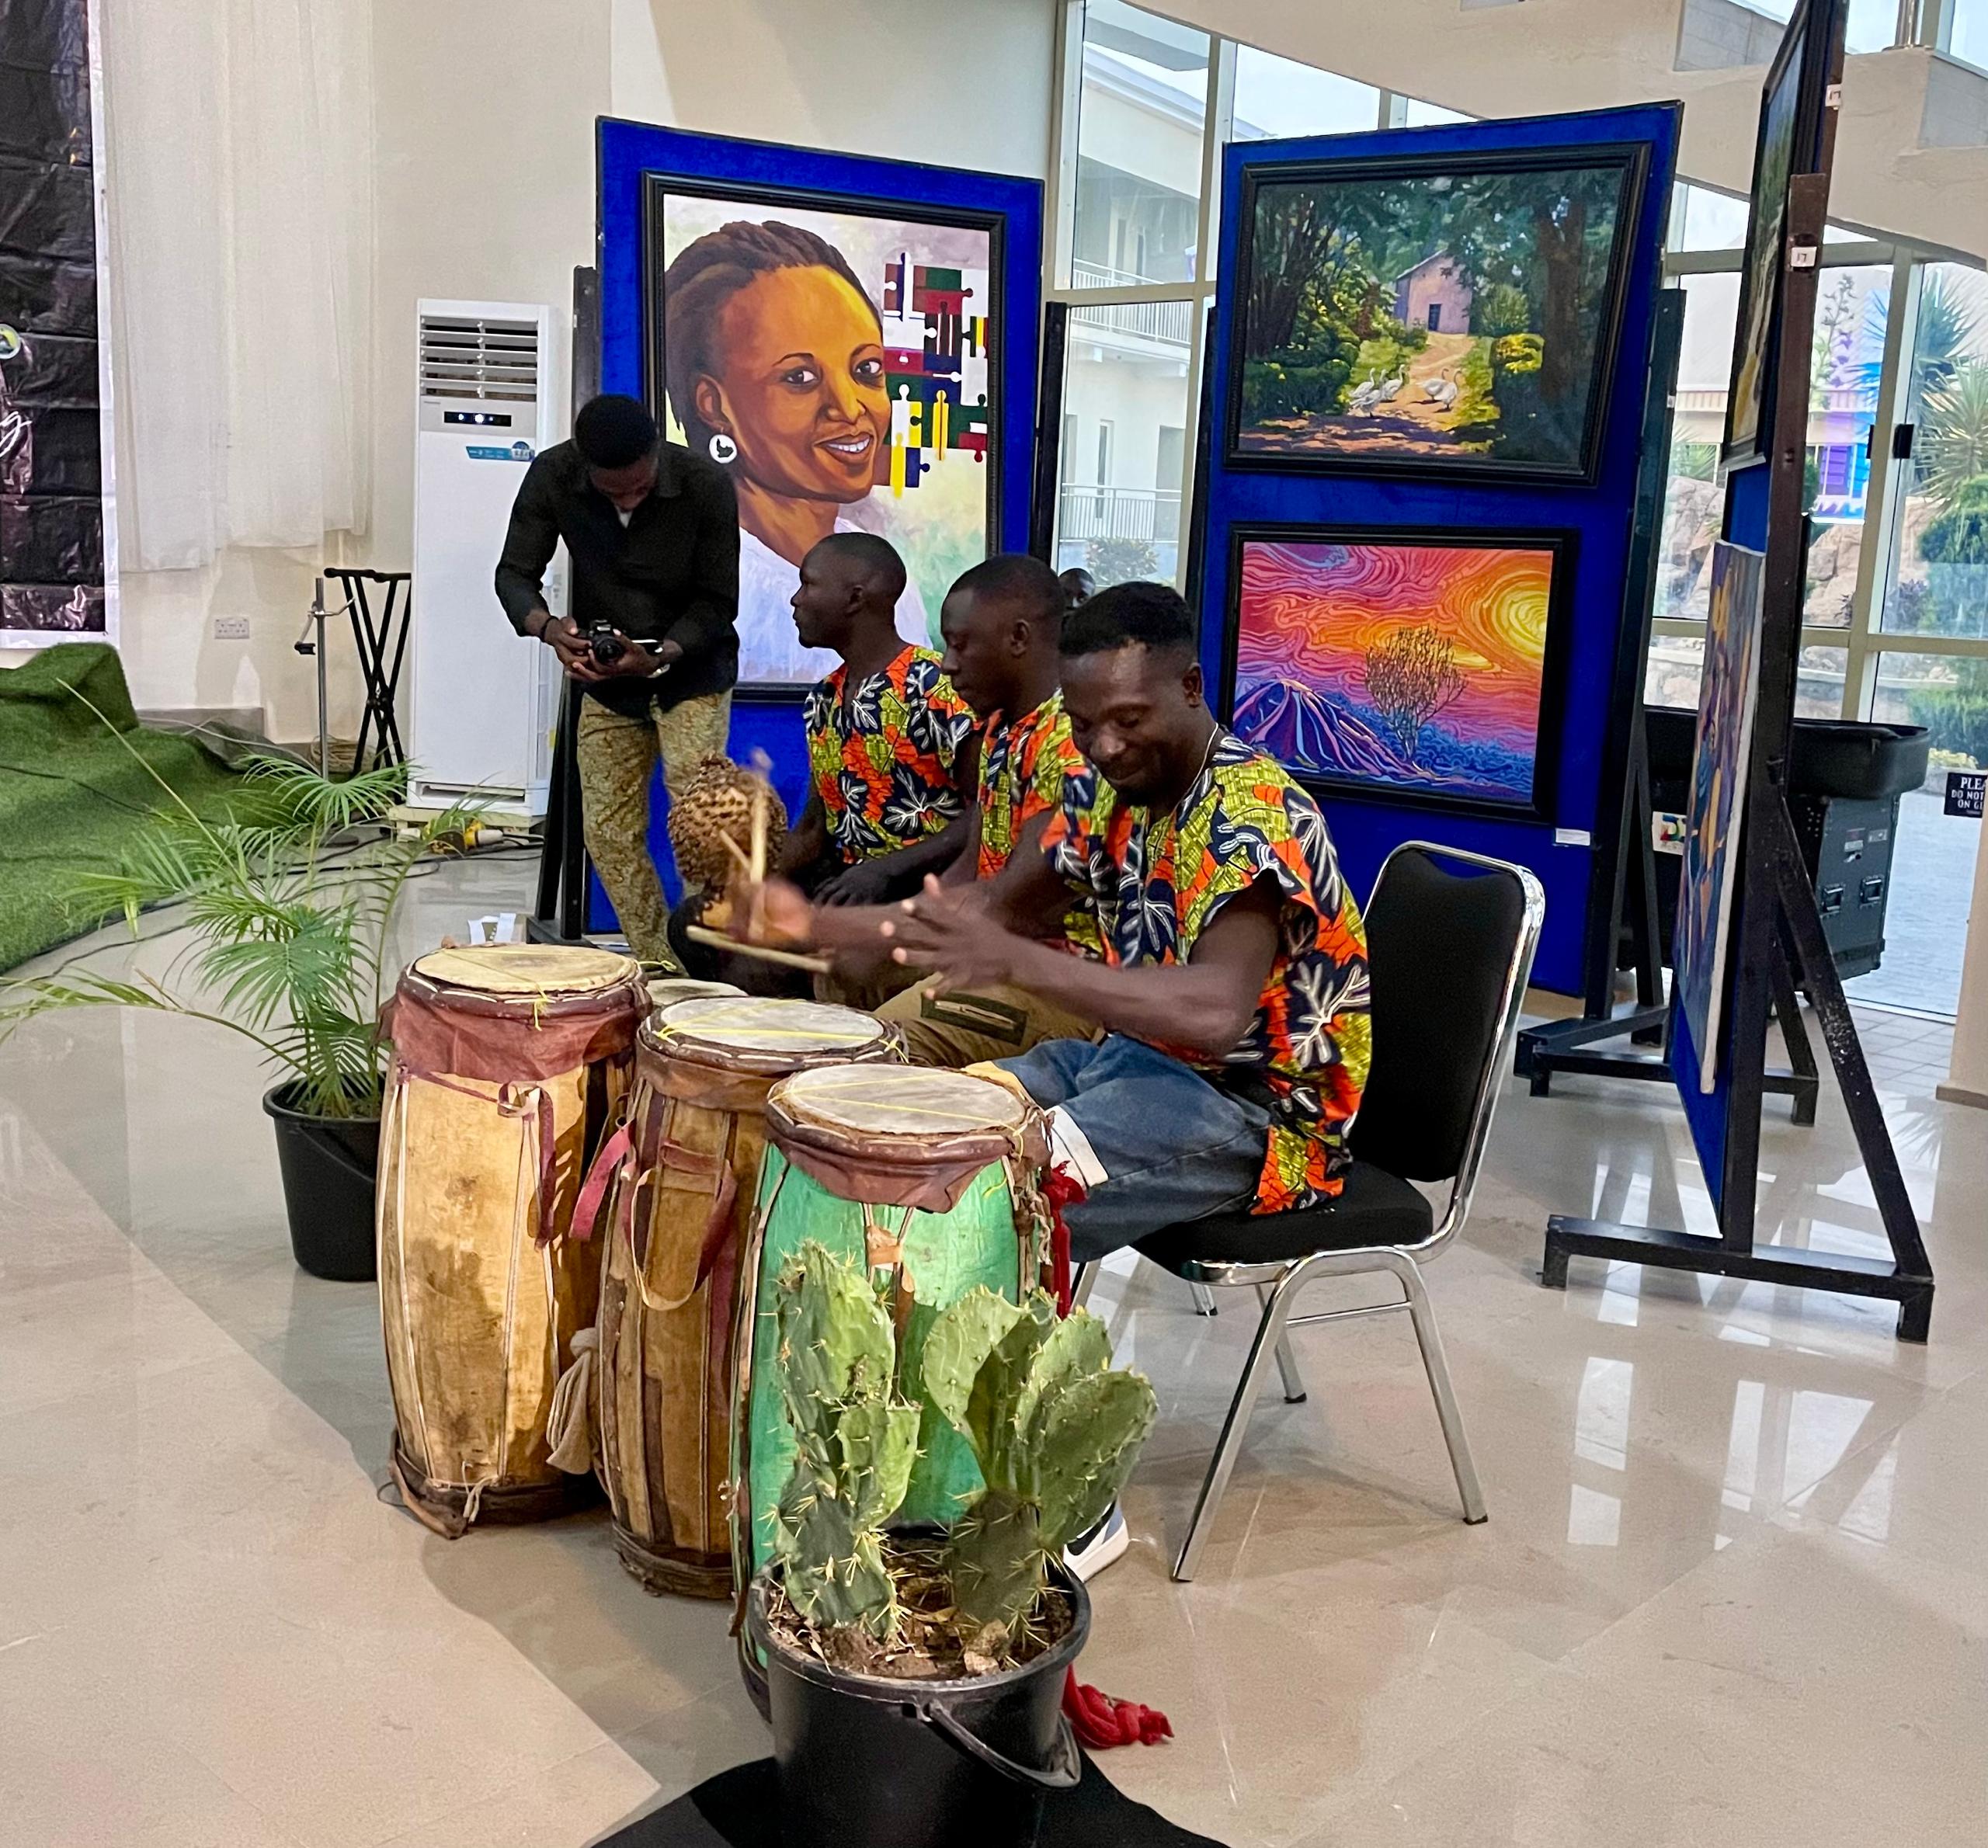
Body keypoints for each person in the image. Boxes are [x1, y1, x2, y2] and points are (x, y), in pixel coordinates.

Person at [751, 580, 1371, 1258]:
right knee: (919, 1129)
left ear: (1191, 687)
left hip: (1252, 1114)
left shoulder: (1252, 815)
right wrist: (808, 925)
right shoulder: (1109, 796)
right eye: (1082, 724)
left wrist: (1020, 962)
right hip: (1129, 1063)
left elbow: (1214, 1013)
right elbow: (988, 908)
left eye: (1129, 719)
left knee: (973, 1195)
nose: (1104, 747)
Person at [495, 393, 737, 966]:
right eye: (613, 494)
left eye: (639, 488)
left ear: (657, 453)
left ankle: (713, 964)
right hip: (605, 682)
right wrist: (549, 629)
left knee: (700, 826)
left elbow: (717, 602)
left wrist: (659, 656)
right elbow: (513, 574)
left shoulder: (705, 483)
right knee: (606, 830)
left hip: (691, 673)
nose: (627, 501)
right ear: (584, 467)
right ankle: (660, 966)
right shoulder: (554, 475)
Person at [662, 219, 926, 685]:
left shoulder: (884, 578)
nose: (850, 408)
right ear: (713, 406)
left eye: (866, 370)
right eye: (800, 378)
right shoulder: (706, 579)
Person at [871, 552, 1103, 1067]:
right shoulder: (1001, 729)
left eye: (960, 644)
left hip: (1060, 983)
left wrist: (855, 927)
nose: (947, 663)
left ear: (1018, 638)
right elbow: (969, 868)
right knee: (840, 981)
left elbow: (1013, 903)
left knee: (878, 1046)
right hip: (995, 951)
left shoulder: (1068, 739)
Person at [777, 531, 977, 915]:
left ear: (855, 599)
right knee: (702, 920)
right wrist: (744, 883)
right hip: (848, 885)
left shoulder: (934, 686)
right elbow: (814, 831)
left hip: (931, 891)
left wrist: (886, 870)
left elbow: (988, 810)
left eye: (808, 584)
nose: (796, 599)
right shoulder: (823, 699)